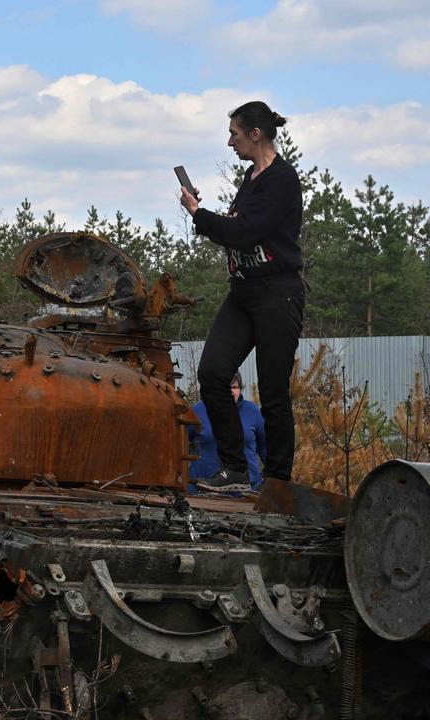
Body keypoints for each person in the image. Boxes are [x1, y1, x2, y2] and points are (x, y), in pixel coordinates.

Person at [180, 100, 304, 491]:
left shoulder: (282, 180)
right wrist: (207, 212)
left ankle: (278, 480)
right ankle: (234, 469)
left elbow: (245, 232)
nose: (229, 142)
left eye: (234, 134)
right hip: (243, 293)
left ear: (255, 134)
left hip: (277, 293)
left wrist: (199, 215)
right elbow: (236, 226)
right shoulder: (250, 179)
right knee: (213, 373)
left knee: (272, 389)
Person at [188, 374, 266, 491]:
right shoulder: (198, 411)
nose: (231, 391)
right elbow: (181, 445)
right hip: (203, 491)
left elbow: (264, 447)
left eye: (235, 387)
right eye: (225, 388)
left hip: (247, 492)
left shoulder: (252, 411)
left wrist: (273, 480)